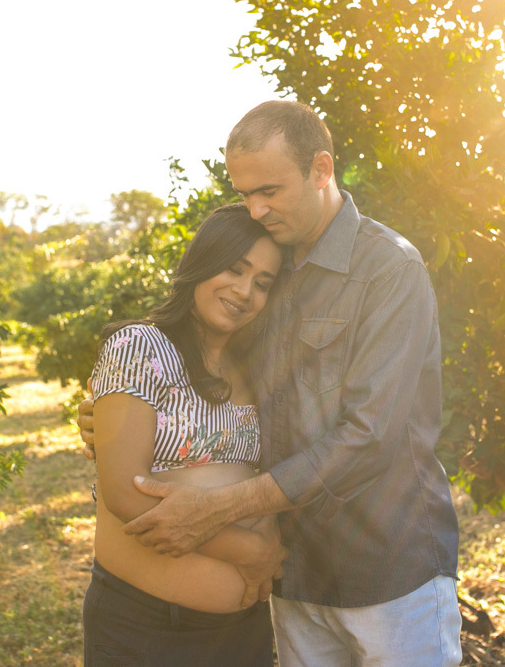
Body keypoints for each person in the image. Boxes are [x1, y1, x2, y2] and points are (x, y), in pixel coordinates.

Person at [81, 100, 462, 666]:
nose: (256, 209)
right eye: (244, 194)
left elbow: (369, 435)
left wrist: (222, 509)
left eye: (270, 191)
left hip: (384, 571)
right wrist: (108, 412)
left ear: (321, 170)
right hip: (295, 576)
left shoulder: (388, 270)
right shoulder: (272, 263)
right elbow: (205, 380)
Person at [82, 202, 288, 667]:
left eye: (262, 283)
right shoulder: (141, 345)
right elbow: (123, 493)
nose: (244, 291)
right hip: (148, 630)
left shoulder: (251, 368)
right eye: (234, 269)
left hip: (241, 634)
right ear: (202, 263)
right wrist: (250, 549)